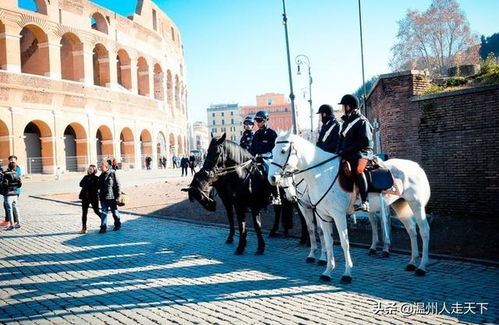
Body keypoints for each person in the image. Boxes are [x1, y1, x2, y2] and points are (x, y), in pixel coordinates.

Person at [337, 94, 374, 212]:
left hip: (363, 153)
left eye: (343, 106)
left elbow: (365, 142)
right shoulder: (346, 122)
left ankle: (365, 201)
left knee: (358, 169)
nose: (342, 108)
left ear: (348, 106)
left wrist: (346, 150)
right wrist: (339, 151)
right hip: (349, 154)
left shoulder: (362, 121)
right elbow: (342, 140)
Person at [98, 161, 121, 233]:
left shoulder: (112, 173)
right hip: (103, 197)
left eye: (101, 166)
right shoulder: (101, 175)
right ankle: (103, 227)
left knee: (115, 212)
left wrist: (119, 195)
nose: (100, 168)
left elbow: (117, 185)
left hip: (112, 197)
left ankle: (117, 224)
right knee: (104, 213)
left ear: (106, 167)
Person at [78, 165, 100, 234]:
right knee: (84, 213)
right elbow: (80, 184)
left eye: (91, 169)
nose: (90, 170)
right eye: (89, 169)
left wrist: (88, 184)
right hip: (85, 197)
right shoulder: (85, 177)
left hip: (93, 197)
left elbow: (96, 187)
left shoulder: (97, 178)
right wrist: (89, 184)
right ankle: (84, 228)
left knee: (96, 211)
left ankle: (104, 222)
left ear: (94, 170)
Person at [0, 156, 22, 227]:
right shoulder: (9, 171)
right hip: (14, 191)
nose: (11, 161)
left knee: (9, 208)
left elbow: (5, 183)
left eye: (13, 160)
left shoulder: (17, 169)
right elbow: (19, 183)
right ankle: (14, 222)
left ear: (16, 160)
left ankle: (11, 223)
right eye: (10, 160)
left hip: (11, 192)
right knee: (13, 207)